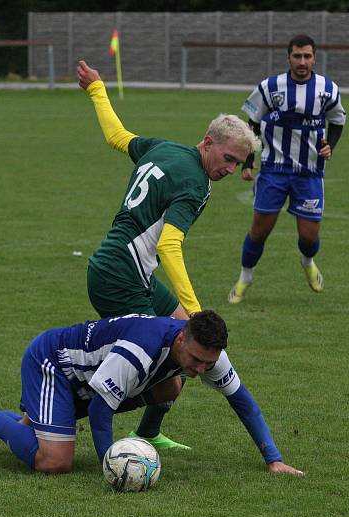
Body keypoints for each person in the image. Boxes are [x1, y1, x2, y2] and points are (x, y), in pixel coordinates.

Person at [77, 60, 259, 450]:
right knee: (171, 368)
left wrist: (97, 90)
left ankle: (147, 432)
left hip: (128, 270)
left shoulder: (163, 148)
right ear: (208, 143)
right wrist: (195, 311)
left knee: (179, 348)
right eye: (228, 158)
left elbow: (116, 136)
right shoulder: (194, 183)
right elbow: (168, 244)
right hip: (119, 276)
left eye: (239, 164)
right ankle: (72, 410)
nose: (230, 169)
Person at [0, 310, 304, 477]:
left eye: (206, 365)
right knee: (55, 460)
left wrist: (272, 459)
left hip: (89, 377)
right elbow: (102, 410)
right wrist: (110, 464)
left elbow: (242, 401)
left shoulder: (208, 355)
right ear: (182, 338)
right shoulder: (142, 348)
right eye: (195, 360)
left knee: (172, 383)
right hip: (54, 363)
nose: (199, 370)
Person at [228, 34, 346, 303]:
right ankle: (245, 277)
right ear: (288, 57)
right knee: (259, 231)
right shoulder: (270, 87)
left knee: (308, 236)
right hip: (274, 171)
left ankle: (307, 262)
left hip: (309, 172)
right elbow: (252, 123)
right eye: (297, 56)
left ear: (314, 57)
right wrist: (247, 162)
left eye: (307, 56)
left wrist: (331, 146)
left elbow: (338, 120)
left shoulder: (327, 89)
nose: (302, 61)